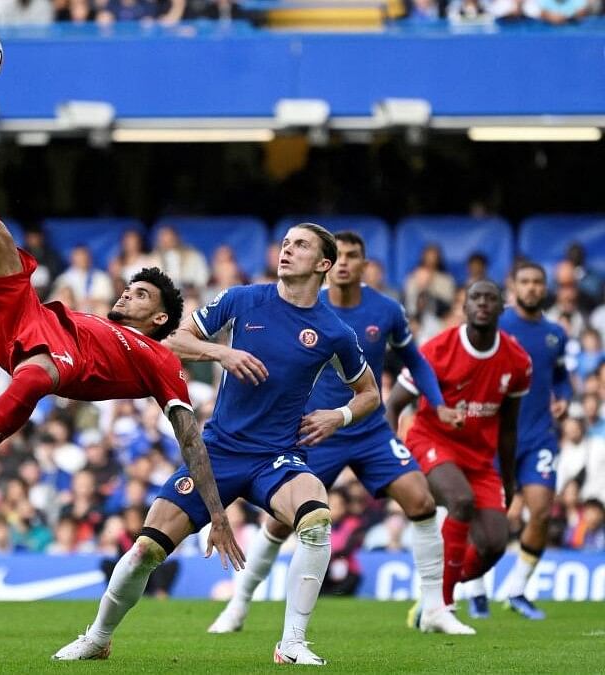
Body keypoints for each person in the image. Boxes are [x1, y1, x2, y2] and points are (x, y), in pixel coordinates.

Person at [0, 32, 243, 584]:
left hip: (53, 361)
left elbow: (190, 440)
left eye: (142, 294)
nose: (128, 292)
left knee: (39, 375)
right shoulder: (92, 319)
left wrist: (218, 514)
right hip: (26, 320)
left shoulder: (161, 363)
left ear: (159, 318)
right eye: (130, 286)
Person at [49, 223, 378, 666]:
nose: (287, 250)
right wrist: (223, 353)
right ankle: (97, 638)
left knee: (317, 519)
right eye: (284, 243)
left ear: (323, 264)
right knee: (146, 549)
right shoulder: (243, 299)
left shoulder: (334, 332)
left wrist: (337, 417)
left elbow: (370, 394)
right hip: (218, 452)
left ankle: (292, 644)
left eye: (300, 245)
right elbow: (175, 338)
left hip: (276, 457)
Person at [207, 230, 474, 636]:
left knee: (420, 500)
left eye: (354, 255)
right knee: (283, 524)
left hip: (366, 428)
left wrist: (435, 403)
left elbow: (414, 361)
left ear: (363, 264)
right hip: (314, 429)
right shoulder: (301, 306)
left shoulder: (386, 310)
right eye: (341, 254)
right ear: (328, 266)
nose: (346, 262)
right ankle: (238, 605)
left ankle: (435, 608)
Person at [386, 280, 532, 622]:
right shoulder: (437, 350)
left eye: (490, 298)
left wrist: (508, 482)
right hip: (431, 441)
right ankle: (442, 607)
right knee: (461, 502)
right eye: (475, 298)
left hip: (480, 459)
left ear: (501, 308)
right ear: (464, 307)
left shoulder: (517, 361)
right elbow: (393, 405)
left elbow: (508, 428)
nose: (482, 303)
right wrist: (391, 462)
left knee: (494, 543)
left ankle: (432, 595)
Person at [492, 262, 571, 620]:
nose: (532, 288)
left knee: (540, 510)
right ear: (513, 286)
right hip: (495, 437)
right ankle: (476, 592)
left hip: (539, 435)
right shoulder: (495, 325)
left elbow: (561, 374)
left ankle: (517, 589)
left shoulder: (556, 333)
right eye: (525, 281)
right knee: (489, 522)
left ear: (545, 287)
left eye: (538, 282)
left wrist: (564, 396)